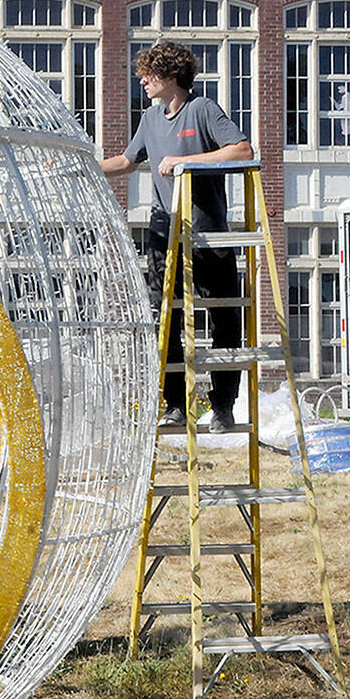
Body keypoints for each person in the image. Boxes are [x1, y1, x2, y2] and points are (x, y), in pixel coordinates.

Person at [101, 41, 254, 433]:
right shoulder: (150, 119)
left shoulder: (202, 110)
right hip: (164, 227)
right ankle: (176, 405)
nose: (143, 81)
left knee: (223, 317)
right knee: (165, 316)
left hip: (207, 231)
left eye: (149, 75)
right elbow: (125, 161)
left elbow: (241, 150)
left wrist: (186, 161)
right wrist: (81, 166)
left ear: (171, 77)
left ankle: (222, 406)